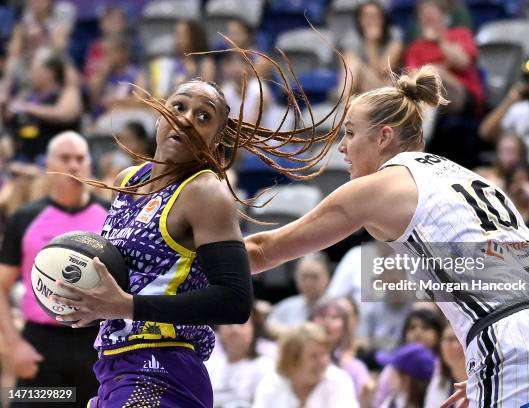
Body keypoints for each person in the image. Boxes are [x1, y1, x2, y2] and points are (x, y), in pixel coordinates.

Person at [244, 66, 529, 406]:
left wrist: (191, 264)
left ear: (384, 136)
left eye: (350, 133)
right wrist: (487, 363)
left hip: (517, 341)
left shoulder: (379, 187)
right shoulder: (467, 177)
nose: (342, 147)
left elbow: (262, 250)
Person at [49, 45, 349, 406]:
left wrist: (127, 306)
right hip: (114, 365)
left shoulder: (205, 192)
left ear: (216, 139)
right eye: (179, 106)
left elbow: (235, 302)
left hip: (163, 368)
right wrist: (85, 302)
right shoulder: (129, 180)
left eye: (204, 117)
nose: (187, 118)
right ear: (160, 116)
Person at [0, 131, 109, 408]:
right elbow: (1, 287)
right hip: (40, 344)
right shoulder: (25, 218)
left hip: (96, 343)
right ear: (49, 165)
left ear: (89, 165)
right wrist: (14, 345)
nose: (73, 165)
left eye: (80, 158)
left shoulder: (112, 217)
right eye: (65, 158)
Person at [252, 322, 359, 408]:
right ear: (291, 361)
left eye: (324, 354)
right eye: (314, 356)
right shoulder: (271, 384)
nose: (322, 362)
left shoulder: (338, 380)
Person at [340, 0, 403, 94]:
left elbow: (383, 71)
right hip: (360, 88)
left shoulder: (394, 36)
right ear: (360, 20)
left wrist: (371, 43)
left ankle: (340, 100)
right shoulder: (352, 38)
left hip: (386, 89)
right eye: (367, 16)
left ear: (382, 19)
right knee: (353, 63)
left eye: (375, 16)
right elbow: (346, 68)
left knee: (355, 64)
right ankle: (342, 100)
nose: (371, 21)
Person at [267, 252, 330, 330]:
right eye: (304, 276)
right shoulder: (285, 307)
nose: (309, 283)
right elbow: (268, 327)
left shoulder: (338, 308)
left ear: (327, 277)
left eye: (314, 277)